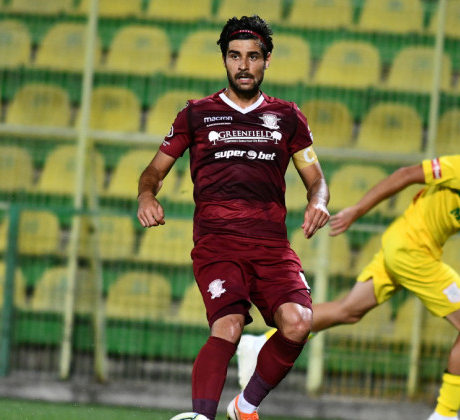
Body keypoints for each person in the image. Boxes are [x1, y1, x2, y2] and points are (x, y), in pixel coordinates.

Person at [236, 125, 460, 420]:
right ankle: (445, 415)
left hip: (405, 243)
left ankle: (261, 344)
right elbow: (407, 174)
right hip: (411, 251)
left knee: (347, 311)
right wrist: (358, 210)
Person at [137, 15, 330, 420]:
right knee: (227, 324)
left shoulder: (289, 117)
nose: (244, 65)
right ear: (224, 60)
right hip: (218, 243)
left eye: (253, 56)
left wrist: (319, 201)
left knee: (298, 323)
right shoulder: (196, 114)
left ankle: (244, 406)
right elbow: (154, 170)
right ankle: (200, 417)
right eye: (235, 56)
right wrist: (146, 194)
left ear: (267, 61)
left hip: (272, 247)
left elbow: (316, 180)